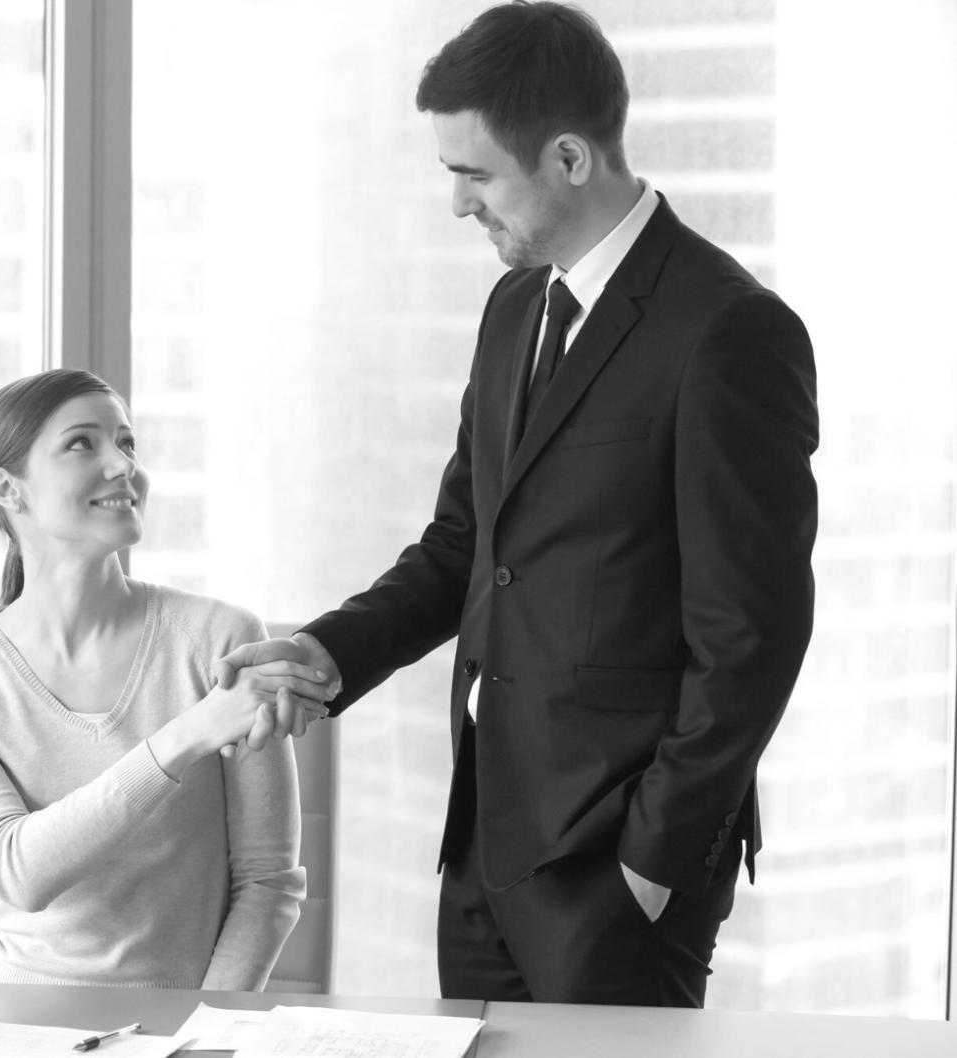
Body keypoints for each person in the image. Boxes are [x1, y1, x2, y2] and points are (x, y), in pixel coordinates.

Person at [216, 1, 818, 1006]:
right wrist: (328, 654)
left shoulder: (729, 333)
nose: (457, 205)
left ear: (571, 160)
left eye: (474, 175)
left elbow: (751, 633)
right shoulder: (513, 306)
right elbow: (466, 544)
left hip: (618, 861)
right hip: (485, 839)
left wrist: (654, 856)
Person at [0, 368, 332, 990]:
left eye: (127, 443)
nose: (122, 465)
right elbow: (17, 872)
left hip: (188, 1033)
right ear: (8, 489)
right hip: (24, 1029)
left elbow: (267, 883)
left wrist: (204, 1032)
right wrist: (187, 735)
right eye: (83, 444)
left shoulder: (221, 640)